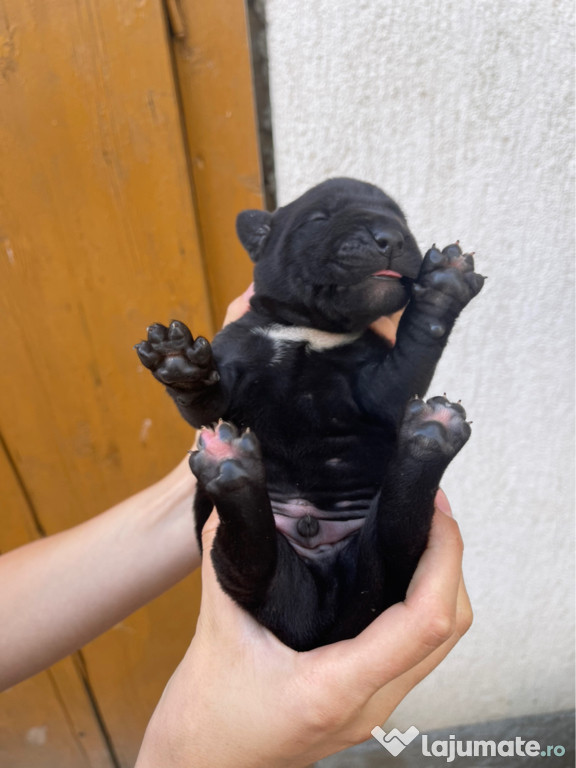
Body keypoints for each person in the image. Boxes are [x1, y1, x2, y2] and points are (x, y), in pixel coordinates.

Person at [0, 288, 472, 767]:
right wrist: (189, 755)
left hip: (294, 530)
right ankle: (416, 458)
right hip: (324, 583)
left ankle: (243, 484)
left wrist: (219, 414)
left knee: (326, 553)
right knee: (380, 554)